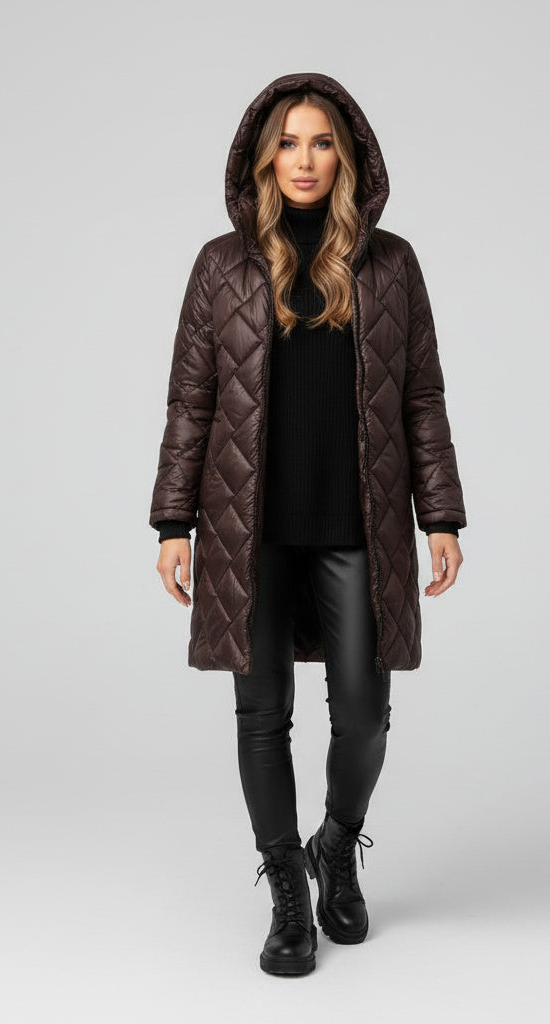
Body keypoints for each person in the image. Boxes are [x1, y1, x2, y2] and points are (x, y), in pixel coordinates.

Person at [149, 71, 467, 976]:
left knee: (364, 714)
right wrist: (173, 522)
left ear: (347, 156)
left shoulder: (392, 264)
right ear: (263, 158)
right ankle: (288, 887)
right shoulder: (220, 265)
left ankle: (336, 842)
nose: (303, 159)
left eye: (320, 142)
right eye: (287, 143)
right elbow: (191, 402)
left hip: (355, 522)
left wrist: (440, 513)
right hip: (247, 529)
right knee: (262, 716)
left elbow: (421, 397)